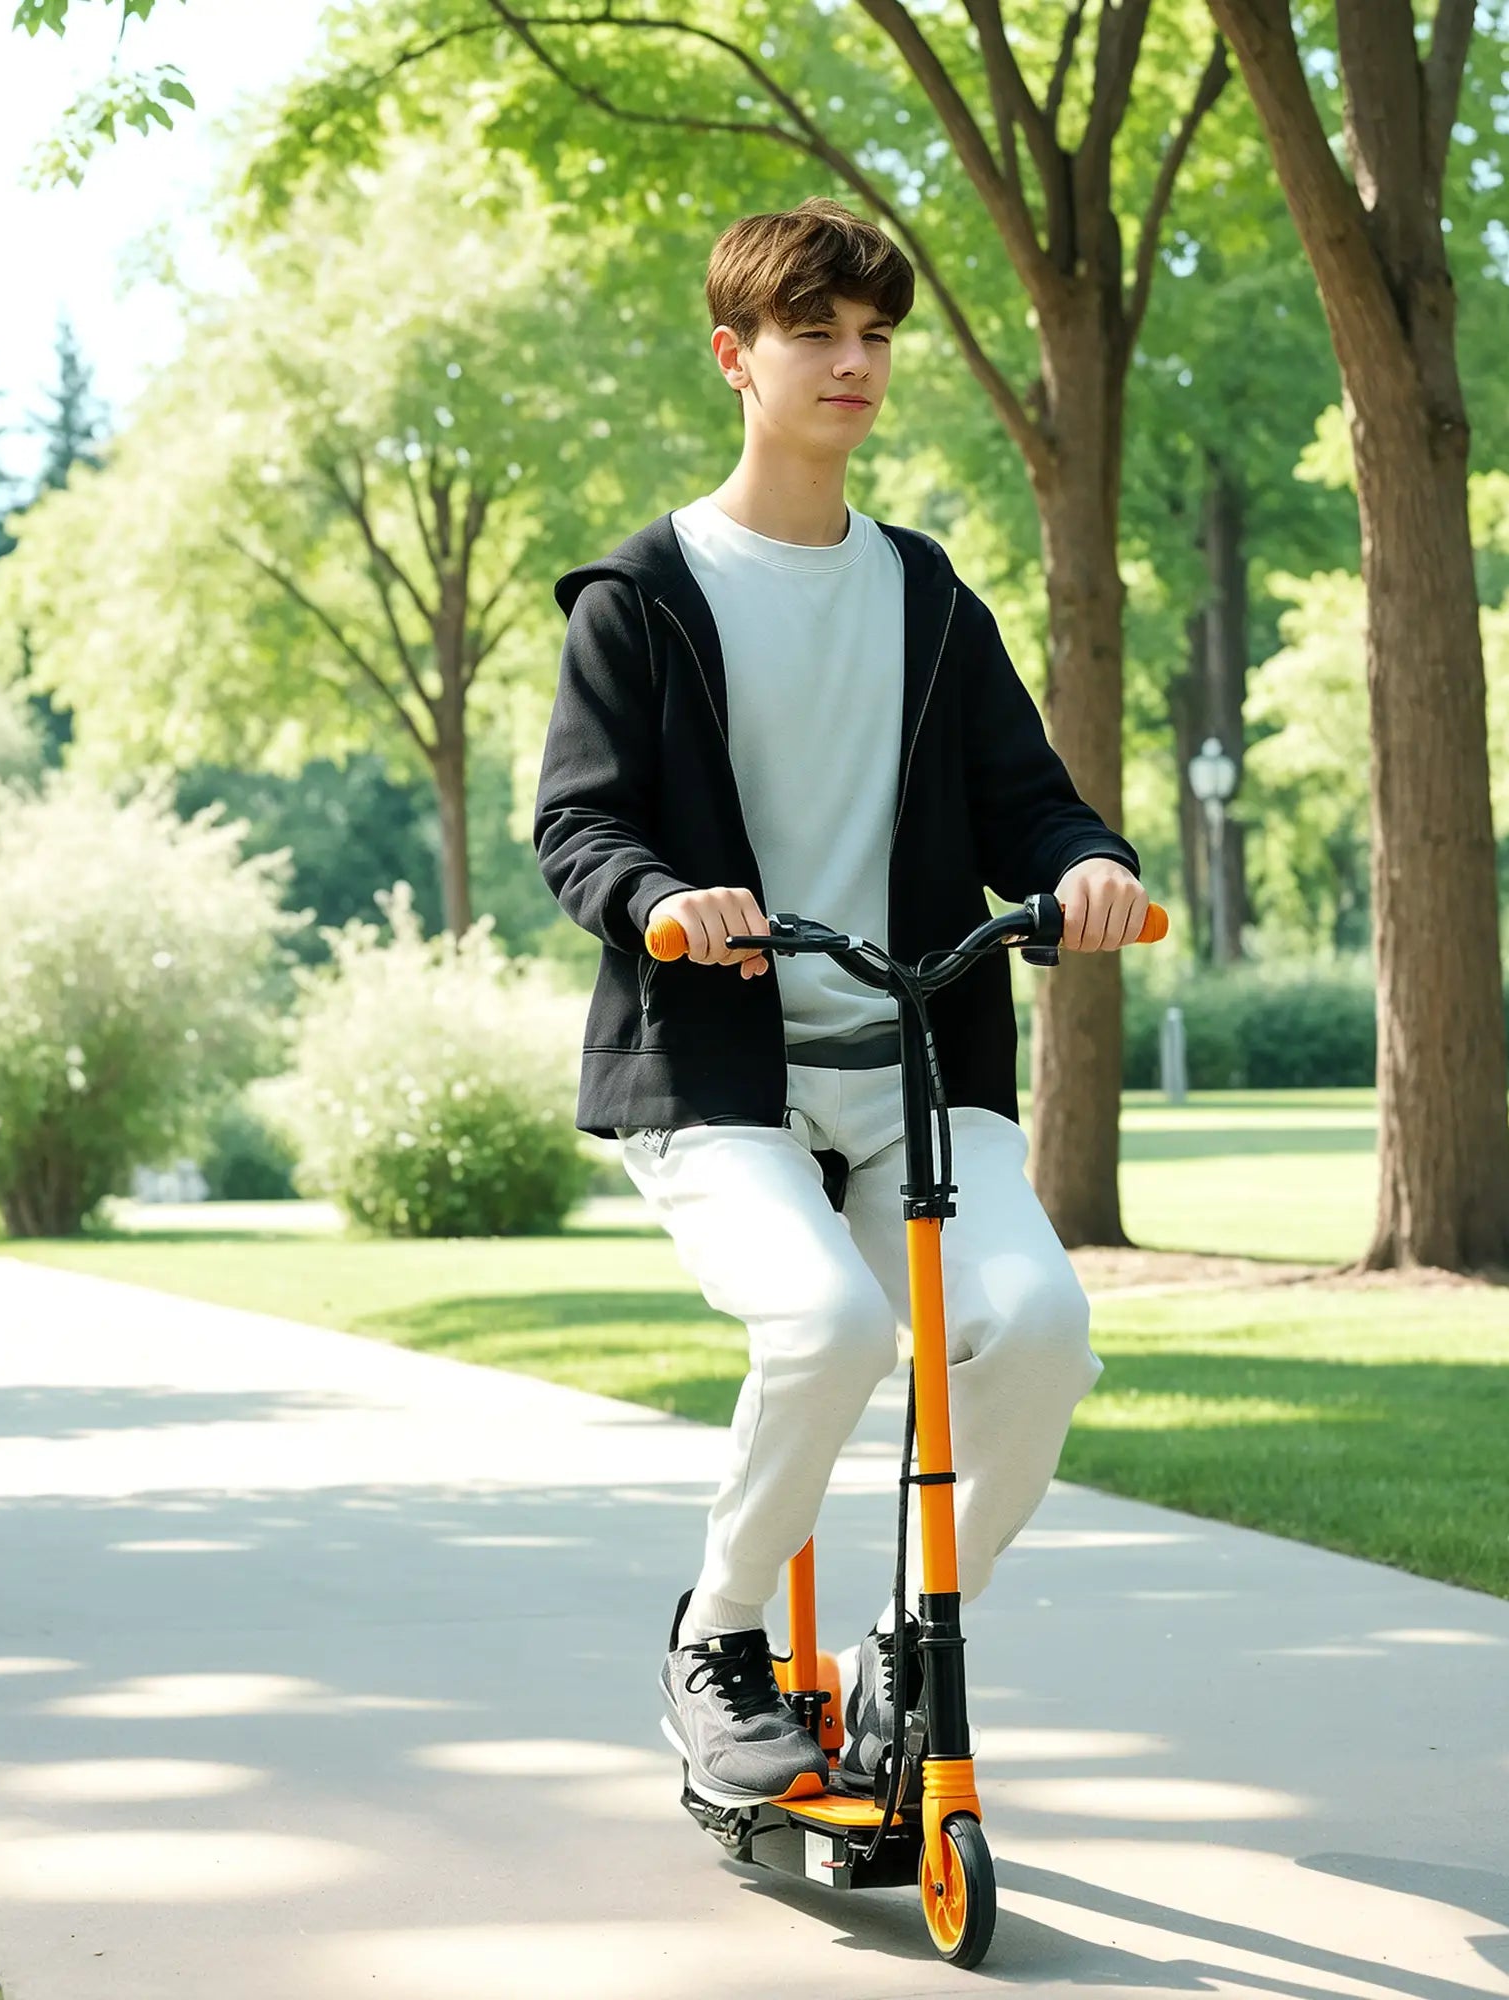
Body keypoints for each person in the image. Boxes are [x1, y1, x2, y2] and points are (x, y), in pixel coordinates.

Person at [533, 196, 1151, 1809]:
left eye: (878, 336)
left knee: (1036, 1330)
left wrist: (1089, 867)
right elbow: (579, 825)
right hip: (714, 1072)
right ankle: (719, 1641)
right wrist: (665, 901)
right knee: (826, 1327)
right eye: (819, 333)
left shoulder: (928, 597)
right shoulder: (644, 592)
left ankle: (909, 1651)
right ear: (738, 357)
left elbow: (1038, 803)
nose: (856, 362)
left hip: (915, 1069)